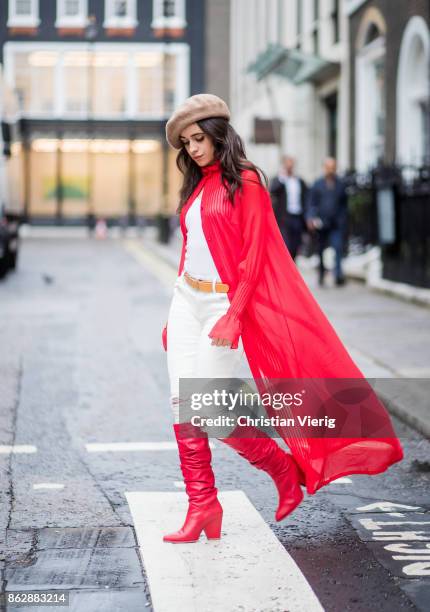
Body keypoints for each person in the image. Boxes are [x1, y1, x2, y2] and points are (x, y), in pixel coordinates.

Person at [161, 93, 403, 544]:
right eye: (186, 143)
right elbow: (191, 249)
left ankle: (282, 468)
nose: (193, 148)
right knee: (181, 407)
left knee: (211, 411)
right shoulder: (194, 186)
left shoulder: (245, 181)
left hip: (220, 305)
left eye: (199, 139)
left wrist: (234, 316)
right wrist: (173, 318)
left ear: (218, 135)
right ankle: (202, 505)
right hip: (185, 302)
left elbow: (255, 255)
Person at [306, 158, 348, 286]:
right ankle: (321, 274)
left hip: (336, 223)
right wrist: (310, 218)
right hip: (321, 223)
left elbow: (344, 205)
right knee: (320, 250)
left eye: (333, 167)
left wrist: (343, 220)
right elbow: (311, 203)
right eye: (328, 167)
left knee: (338, 247)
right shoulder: (317, 184)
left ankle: (338, 274)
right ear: (324, 168)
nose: (331, 169)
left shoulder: (340, 184)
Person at [269, 155, 308, 261]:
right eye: (288, 164)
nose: (290, 166)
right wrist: (283, 178)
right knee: (286, 244)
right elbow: (273, 190)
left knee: (296, 245)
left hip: (297, 216)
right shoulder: (279, 179)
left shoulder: (299, 181)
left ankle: (293, 265)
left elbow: (306, 197)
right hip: (284, 218)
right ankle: (286, 266)